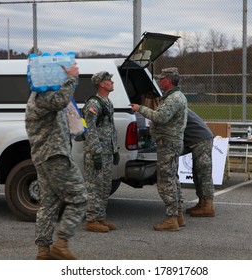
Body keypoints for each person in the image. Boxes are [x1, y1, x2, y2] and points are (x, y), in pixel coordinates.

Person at [25, 63, 87, 260]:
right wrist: (71, 78)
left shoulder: (42, 97)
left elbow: (63, 106)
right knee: (79, 197)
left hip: (46, 157)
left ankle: (43, 251)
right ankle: (61, 244)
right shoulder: (44, 98)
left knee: (49, 204)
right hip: (54, 156)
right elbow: (61, 100)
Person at [130, 67, 187, 231]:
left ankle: (171, 219)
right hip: (171, 141)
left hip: (167, 143)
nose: (159, 81)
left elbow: (161, 117)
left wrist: (140, 108)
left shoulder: (173, 98)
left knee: (165, 181)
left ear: (167, 81)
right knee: (173, 178)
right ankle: (178, 215)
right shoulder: (174, 96)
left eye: (161, 79)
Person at [83, 71, 119, 233]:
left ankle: (100, 217)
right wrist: (96, 152)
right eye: (109, 80)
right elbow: (89, 130)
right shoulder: (94, 104)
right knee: (95, 186)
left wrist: (115, 149)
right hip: (96, 153)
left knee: (105, 186)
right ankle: (91, 220)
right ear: (101, 84)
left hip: (107, 151)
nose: (112, 82)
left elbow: (110, 128)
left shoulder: (107, 102)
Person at [183, 108, 215, 217]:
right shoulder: (178, 105)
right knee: (197, 173)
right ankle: (202, 203)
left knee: (203, 173)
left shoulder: (174, 106)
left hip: (201, 140)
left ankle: (208, 206)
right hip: (198, 139)